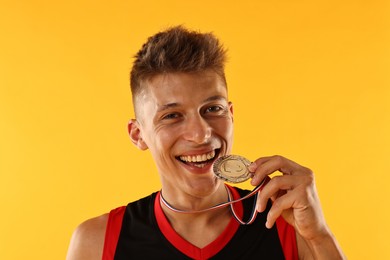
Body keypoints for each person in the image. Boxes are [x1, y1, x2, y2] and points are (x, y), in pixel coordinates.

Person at [66, 26, 345, 260]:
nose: (200, 135)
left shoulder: (288, 226)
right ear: (138, 135)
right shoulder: (98, 243)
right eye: (172, 116)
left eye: (212, 109)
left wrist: (318, 236)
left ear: (231, 115)